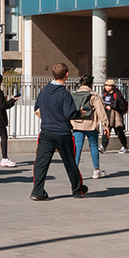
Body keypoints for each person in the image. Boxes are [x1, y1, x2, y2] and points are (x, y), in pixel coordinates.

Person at [30, 63, 87, 201]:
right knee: (70, 162)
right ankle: (77, 189)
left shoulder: (44, 91)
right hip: (63, 132)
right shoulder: (64, 94)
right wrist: (79, 113)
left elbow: (37, 107)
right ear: (66, 75)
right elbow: (69, 114)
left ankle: (37, 191)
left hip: (46, 131)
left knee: (41, 162)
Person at [70, 74, 108, 178]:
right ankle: (96, 170)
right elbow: (101, 110)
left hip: (77, 124)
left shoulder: (74, 94)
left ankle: (75, 171)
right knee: (94, 146)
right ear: (91, 83)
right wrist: (105, 125)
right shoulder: (93, 95)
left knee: (77, 147)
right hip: (91, 124)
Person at [100, 80, 129, 153]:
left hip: (116, 116)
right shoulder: (105, 94)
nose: (107, 87)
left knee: (119, 131)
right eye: (106, 85)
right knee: (106, 130)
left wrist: (112, 107)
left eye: (109, 86)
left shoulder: (117, 95)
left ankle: (124, 145)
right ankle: (103, 146)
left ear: (112, 87)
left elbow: (120, 105)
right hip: (108, 115)